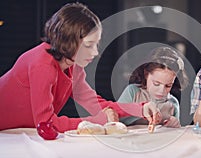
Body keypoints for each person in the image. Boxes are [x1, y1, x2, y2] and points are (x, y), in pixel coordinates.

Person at [0, 2, 160, 133]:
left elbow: (96, 104)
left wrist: (140, 108)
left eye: (96, 44)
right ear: (68, 42)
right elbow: (46, 123)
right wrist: (95, 121)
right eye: (89, 45)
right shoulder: (42, 65)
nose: (96, 52)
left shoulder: (73, 68)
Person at [118, 46, 189, 128]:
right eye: (156, 83)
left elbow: (174, 134)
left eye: (168, 86)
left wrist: (175, 125)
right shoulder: (133, 92)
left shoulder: (172, 103)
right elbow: (115, 120)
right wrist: (141, 112)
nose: (161, 91)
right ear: (146, 74)